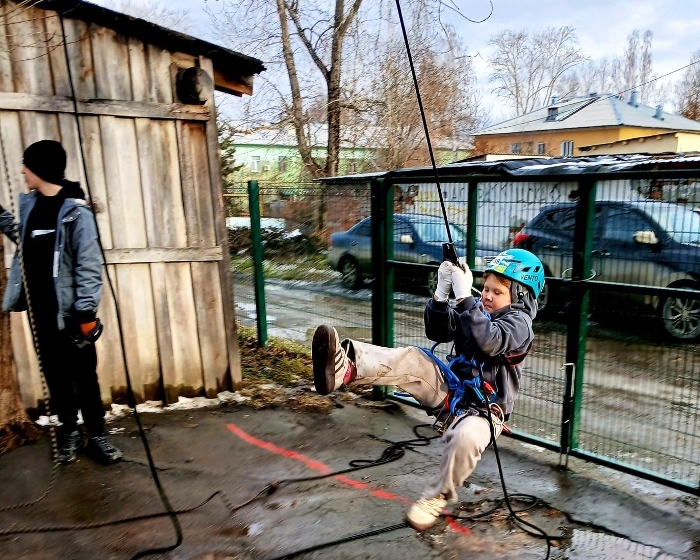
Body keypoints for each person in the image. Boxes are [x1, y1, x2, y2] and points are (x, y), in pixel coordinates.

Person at [312, 248, 543, 530]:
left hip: (485, 412)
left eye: (497, 292)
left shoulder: (520, 324)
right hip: (452, 394)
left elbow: (489, 341)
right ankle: (346, 367)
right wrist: (440, 296)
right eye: (485, 288)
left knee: (467, 437)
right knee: (414, 359)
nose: (486, 295)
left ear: (520, 297)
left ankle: (436, 497)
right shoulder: (478, 312)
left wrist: (465, 298)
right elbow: (438, 331)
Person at [0, 140, 122, 465]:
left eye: (26, 165)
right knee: (55, 376)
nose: (22, 171)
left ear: (40, 169)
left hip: (71, 315)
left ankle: (96, 436)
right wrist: (2, 218)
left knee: (84, 377)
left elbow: (89, 265)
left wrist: (86, 313)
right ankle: (69, 431)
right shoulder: (31, 206)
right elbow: (26, 240)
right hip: (40, 312)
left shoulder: (76, 213)